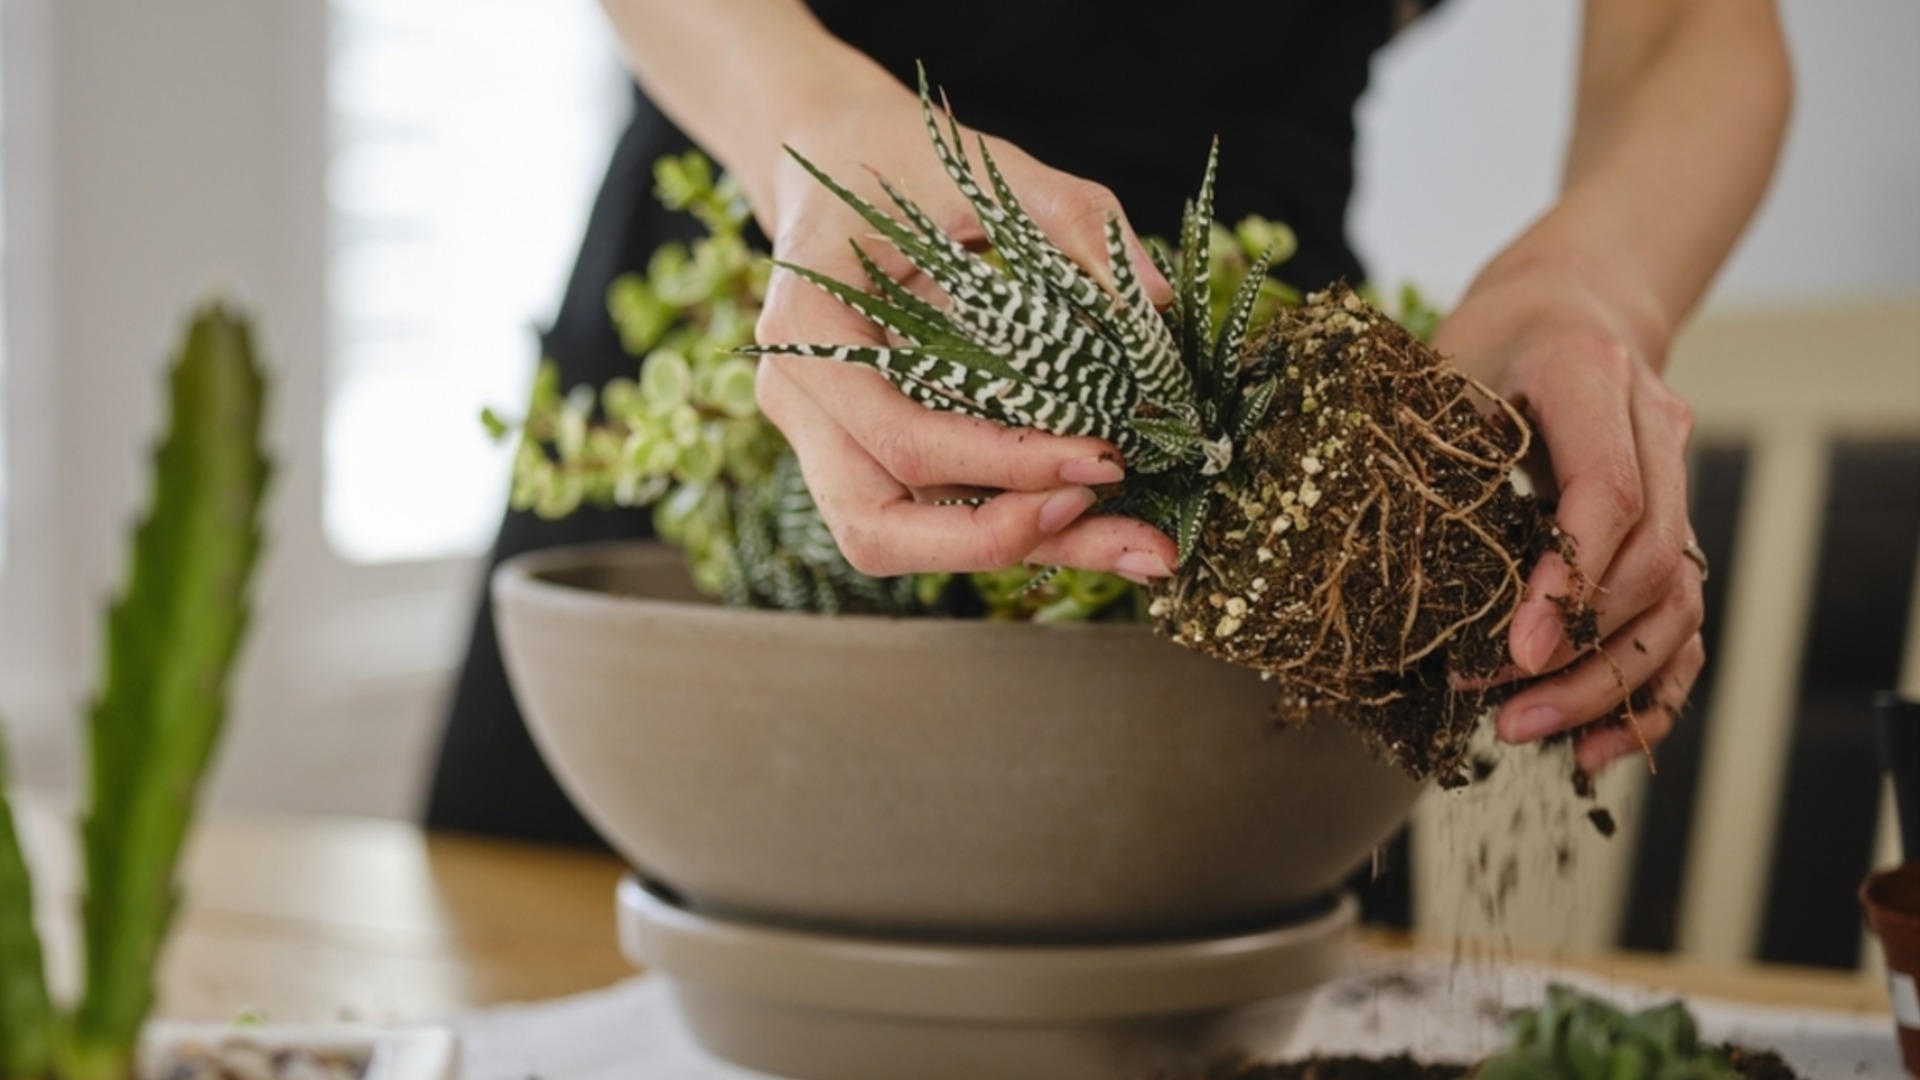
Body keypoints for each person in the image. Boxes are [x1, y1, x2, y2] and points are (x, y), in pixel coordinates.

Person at [426, 0, 1792, 844]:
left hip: (1245, 433)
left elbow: (1690, 22)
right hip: (808, 274)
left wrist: (1582, 286)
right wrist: (809, 130)